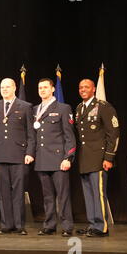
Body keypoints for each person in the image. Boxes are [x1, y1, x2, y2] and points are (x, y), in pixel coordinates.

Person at [0, 78, 35, 235]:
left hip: (19, 156)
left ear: (14, 88)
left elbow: (30, 133)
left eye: (7, 87)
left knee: (18, 191)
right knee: (2, 192)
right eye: (2, 87)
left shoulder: (25, 106)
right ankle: (6, 225)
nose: (4, 89)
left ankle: (19, 225)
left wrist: (29, 153)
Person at [75, 79, 120, 237]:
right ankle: (93, 224)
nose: (83, 90)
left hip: (99, 158)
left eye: (86, 87)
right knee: (88, 194)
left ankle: (102, 227)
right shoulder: (79, 108)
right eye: (81, 87)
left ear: (93, 89)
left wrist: (109, 157)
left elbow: (113, 134)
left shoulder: (103, 106)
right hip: (85, 158)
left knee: (99, 194)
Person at [33, 78, 76, 237]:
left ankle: (66, 226)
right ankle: (49, 225)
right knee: (48, 196)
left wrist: (68, 157)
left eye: (45, 87)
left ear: (52, 89)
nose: (42, 90)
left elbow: (69, 136)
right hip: (42, 159)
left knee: (63, 196)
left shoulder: (63, 108)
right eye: (40, 88)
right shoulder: (35, 109)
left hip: (59, 160)